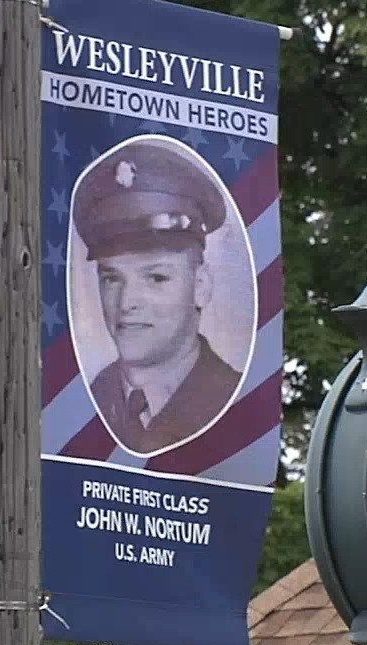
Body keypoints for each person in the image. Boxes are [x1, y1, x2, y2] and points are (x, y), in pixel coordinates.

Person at [73, 140, 242, 454]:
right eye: (112, 278)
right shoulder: (82, 403)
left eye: (156, 277)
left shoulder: (238, 404)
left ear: (200, 286)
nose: (126, 303)